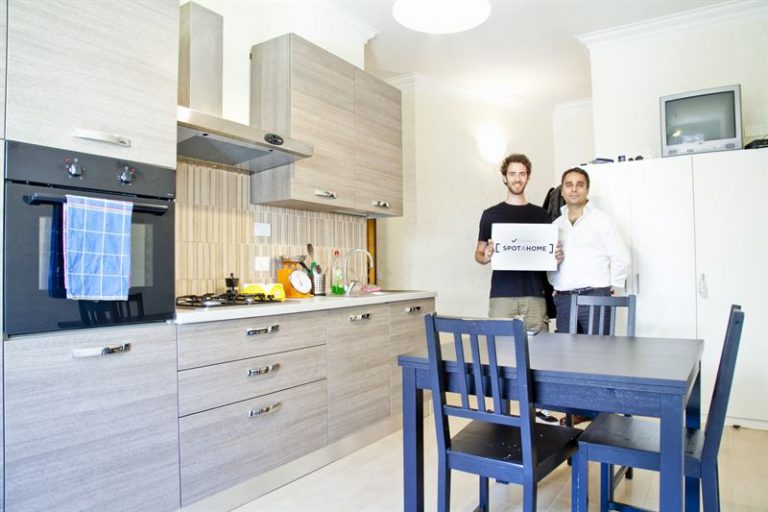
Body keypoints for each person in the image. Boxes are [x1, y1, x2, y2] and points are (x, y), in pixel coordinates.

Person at [476, 153, 562, 423]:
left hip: (534, 294)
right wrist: (487, 254)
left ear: (528, 177)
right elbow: (478, 255)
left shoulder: (540, 215)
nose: (517, 178)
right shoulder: (490, 215)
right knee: (500, 352)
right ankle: (501, 409)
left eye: (522, 173)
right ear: (504, 177)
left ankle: (540, 410)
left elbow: (549, 255)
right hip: (501, 294)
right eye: (512, 173)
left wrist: (555, 256)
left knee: (539, 353)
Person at [548, 167, 630, 334]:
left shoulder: (602, 220)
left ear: (587, 190)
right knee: (566, 355)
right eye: (569, 185)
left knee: (598, 354)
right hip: (564, 300)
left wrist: (610, 287)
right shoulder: (556, 225)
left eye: (580, 185)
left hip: (595, 298)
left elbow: (621, 258)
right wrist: (555, 279)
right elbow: (550, 261)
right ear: (562, 190)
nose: (574, 189)